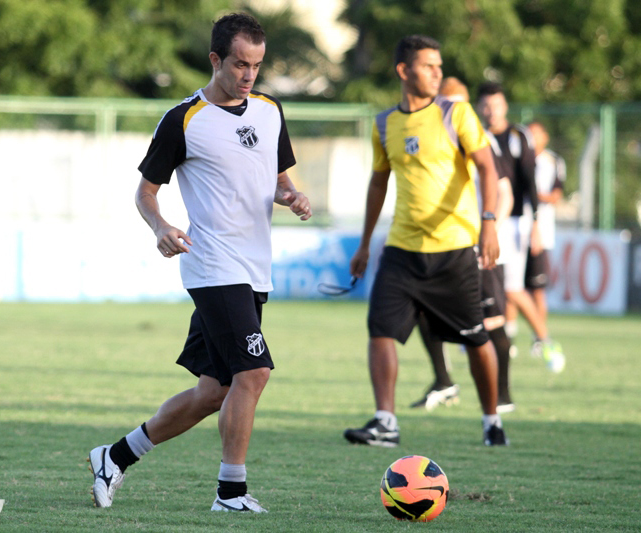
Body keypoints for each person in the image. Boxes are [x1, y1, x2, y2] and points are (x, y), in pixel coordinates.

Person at [87, 13, 311, 513]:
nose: (249, 74)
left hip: (254, 270)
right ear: (216, 60)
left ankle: (115, 456)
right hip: (213, 266)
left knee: (214, 391)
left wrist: (292, 197)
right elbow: (146, 193)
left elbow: (278, 180)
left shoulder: (270, 111)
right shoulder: (183, 119)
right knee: (254, 372)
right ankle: (230, 492)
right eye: (239, 64)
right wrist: (161, 226)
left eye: (256, 64)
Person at [343, 36, 508, 448]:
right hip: (401, 250)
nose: (438, 72)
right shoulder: (384, 124)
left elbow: (488, 169)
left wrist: (489, 223)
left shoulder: (457, 113)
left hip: (453, 251)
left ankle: (492, 422)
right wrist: (364, 244)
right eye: (428, 66)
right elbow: (378, 183)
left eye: (439, 65)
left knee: (475, 338)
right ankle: (386, 422)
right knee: (380, 328)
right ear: (404, 71)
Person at [410, 77, 517, 414]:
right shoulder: (434, 135)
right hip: (442, 246)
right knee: (422, 310)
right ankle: (443, 380)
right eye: (445, 103)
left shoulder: (479, 138)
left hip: (476, 246)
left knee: (489, 321)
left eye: (455, 104)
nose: (448, 110)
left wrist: (489, 232)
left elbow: (506, 193)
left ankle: (502, 398)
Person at [476, 83, 565, 373]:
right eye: (486, 106)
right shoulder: (475, 135)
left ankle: (545, 339)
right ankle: (503, 341)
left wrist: (536, 223)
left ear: (505, 106)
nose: (492, 111)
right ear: (480, 108)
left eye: (497, 105)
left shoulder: (518, 136)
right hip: (485, 219)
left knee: (513, 287)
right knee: (491, 283)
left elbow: (529, 182)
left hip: (514, 220)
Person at [525, 121, 565, 329]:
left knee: (537, 288)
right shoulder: (518, 158)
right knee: (510, 287)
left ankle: (540, 337)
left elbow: (556, 196)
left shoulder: (553, 161)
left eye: (536, 134)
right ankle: (509, 337)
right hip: (516, 230)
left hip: (541, 232)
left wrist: (532, 195)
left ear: (545, 136)